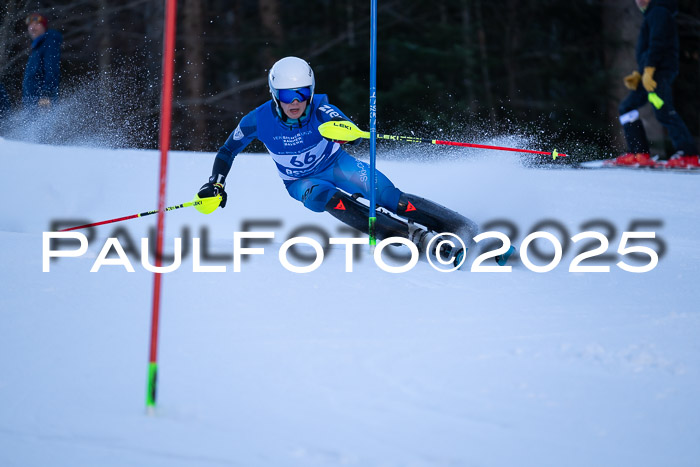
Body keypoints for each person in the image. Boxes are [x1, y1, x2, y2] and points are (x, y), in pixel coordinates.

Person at [196, 56, 505, 267]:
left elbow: (341, 123)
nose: (295, 102)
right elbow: (227, 151)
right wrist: (216, 183)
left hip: (336, 164)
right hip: (302, 181)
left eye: (302, 92)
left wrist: (346, 132)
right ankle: (411, 237)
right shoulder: (257, 120)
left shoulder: (319, 108)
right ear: (274, 93)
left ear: (311, 90)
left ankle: (461, 227)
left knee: (389, 197)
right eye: (287, 94)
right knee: (322, 198)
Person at [611, 0, 698, 168]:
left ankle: (689, 155)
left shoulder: (659, 12)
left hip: (659, 73)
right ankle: (639, 153)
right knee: (627, 107)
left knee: (664, 110)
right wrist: (641, 73)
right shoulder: (653, 14)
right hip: (650, 74)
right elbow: (651, 46)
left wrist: (649, 70)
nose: (638, 1)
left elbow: (658, 44)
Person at [22, 12, 62, 110]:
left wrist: (47, 94)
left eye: (36, 24)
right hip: (32, 100)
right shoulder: (37, 47)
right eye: (30, 25)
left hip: (42, 100)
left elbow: (51, 68)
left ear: (44, 27)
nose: (32, 28)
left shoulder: (49, 42)